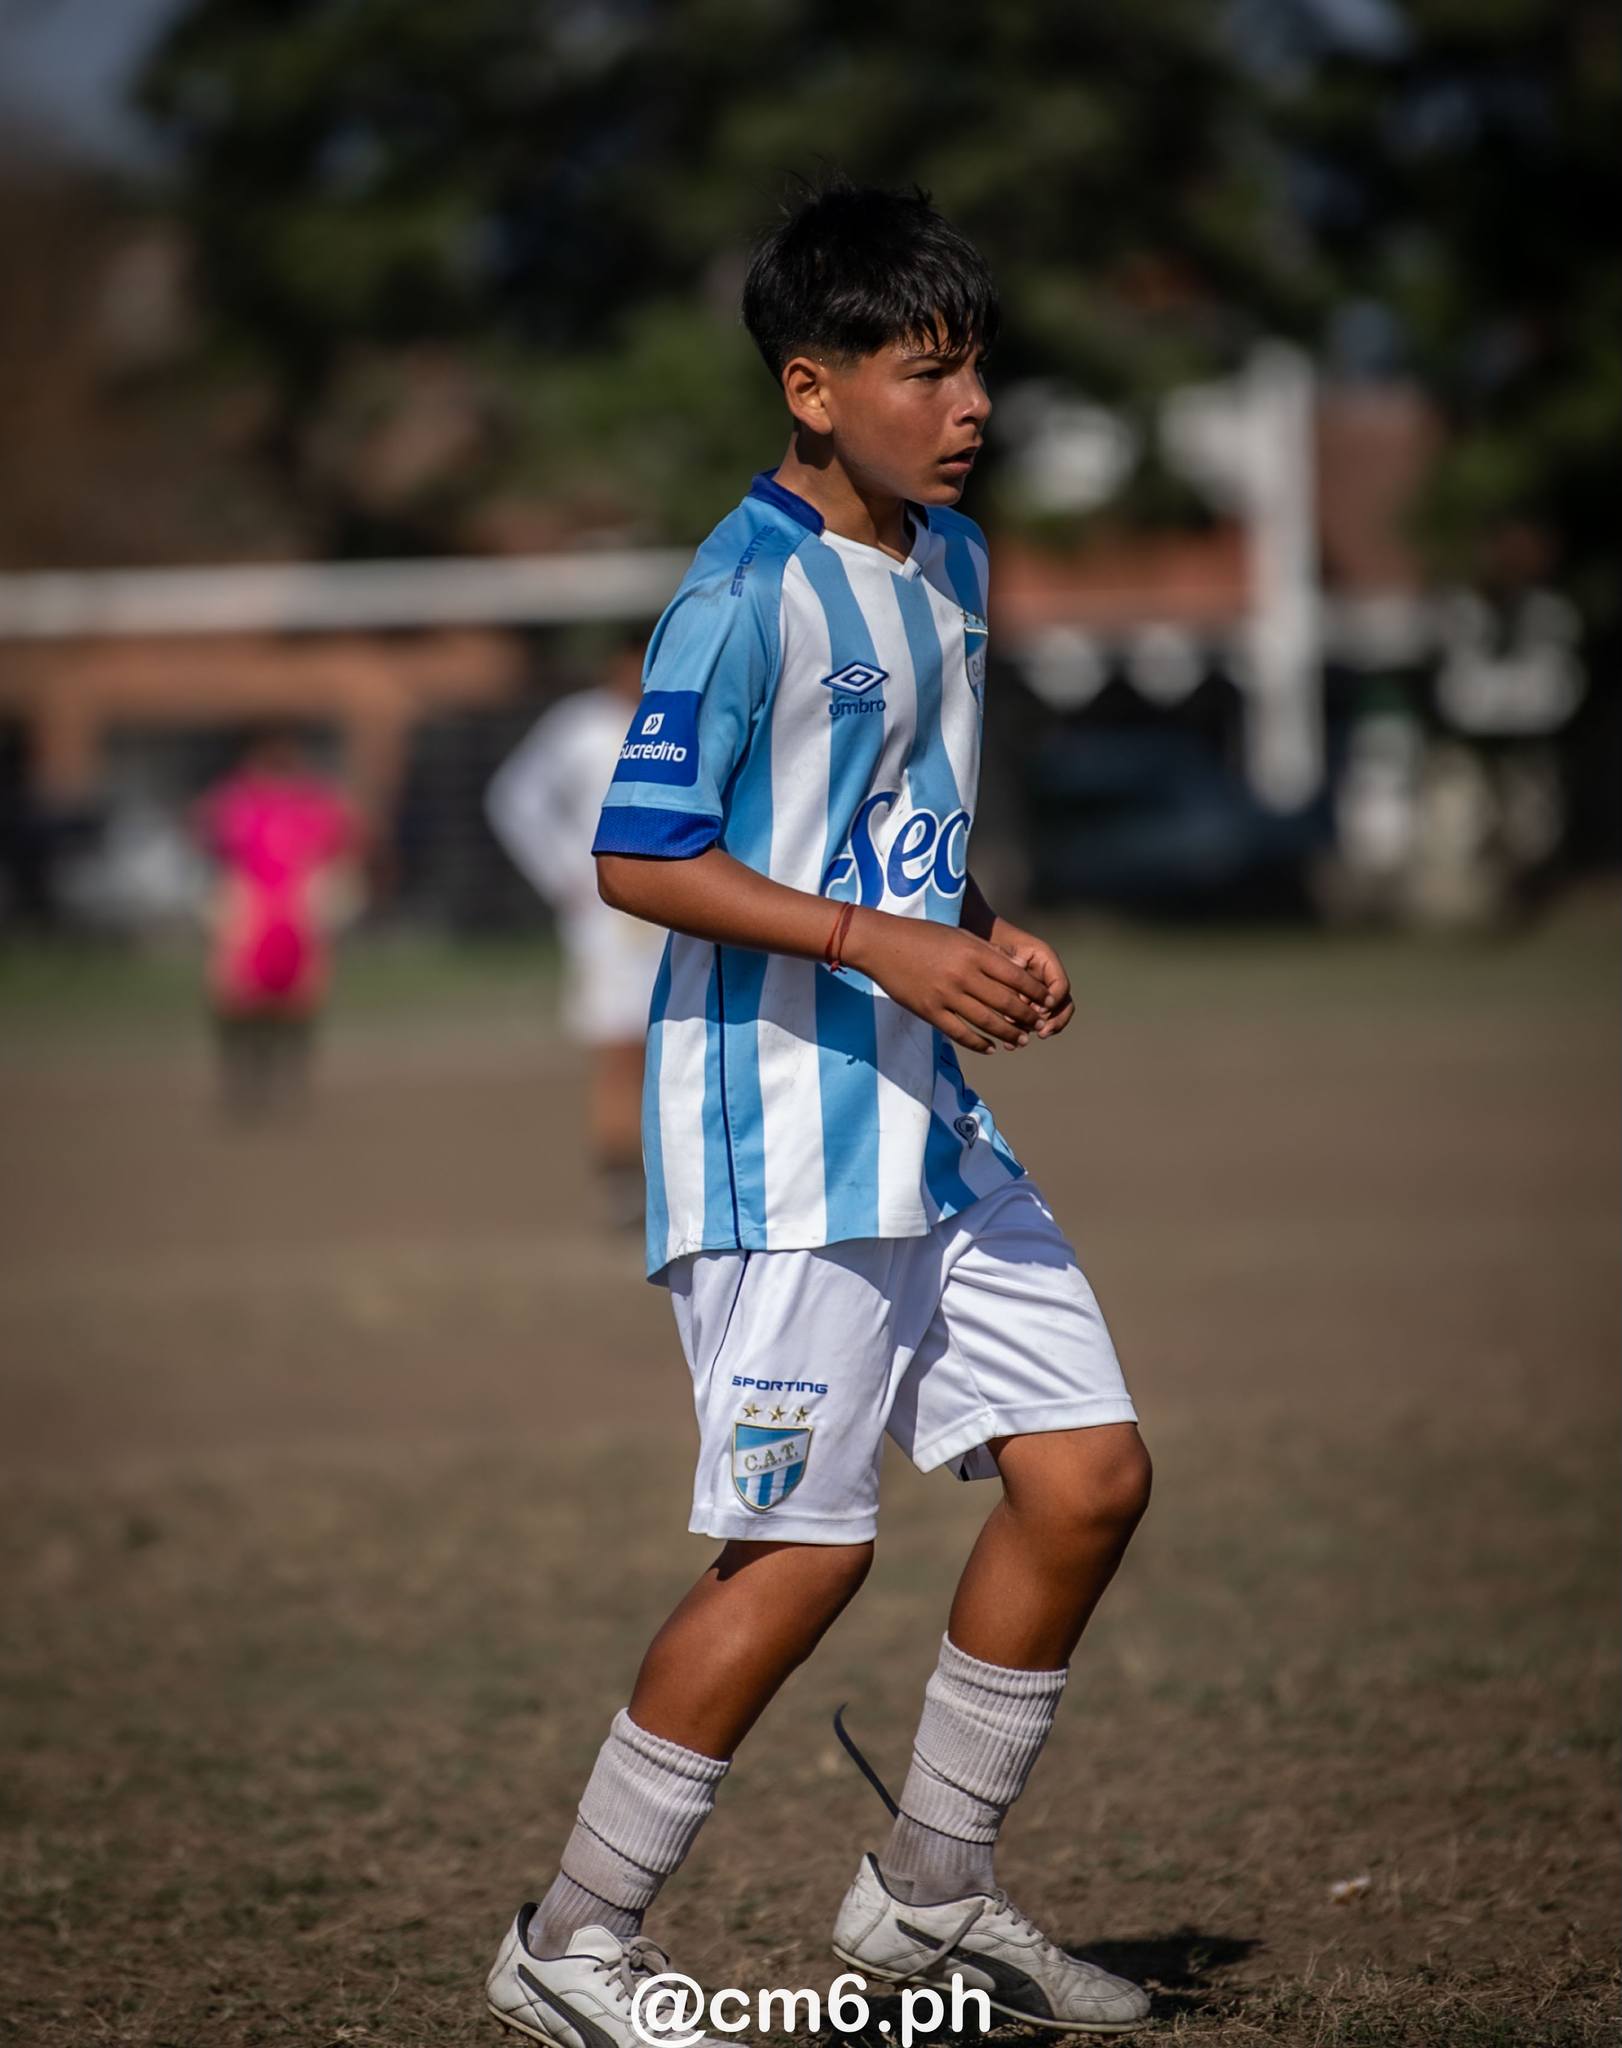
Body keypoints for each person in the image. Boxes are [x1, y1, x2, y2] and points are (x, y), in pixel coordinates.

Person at [485, 182, 1154, 2043]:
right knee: (806, 1544)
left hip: (922, 1111)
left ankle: (927, 1891)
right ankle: (572, 1936)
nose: (970, 406)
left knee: (1087, 1471)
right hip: (776, 1127)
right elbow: (638, 853)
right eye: (922, 371)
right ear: (809, 386)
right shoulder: (739, 589)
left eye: (975, 368)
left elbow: (883, 828)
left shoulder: (950, 561)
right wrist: (882, 938)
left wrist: (972, 932)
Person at [485, 636, 667, 1226]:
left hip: (678, 910)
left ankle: (670, 1176)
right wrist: (564, 872)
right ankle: (622, 1184)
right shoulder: (579, 725)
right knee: (618, 1047)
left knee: (675, 1042)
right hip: (609, 918)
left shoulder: (682, 720)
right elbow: (515, 799)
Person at [193, 726, 361, 1119]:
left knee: (299, 1004)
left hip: (296, 918)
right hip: (251, 916)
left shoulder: (315, 802)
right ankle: (244, 1080)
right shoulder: (234, 801)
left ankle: (290, 1081)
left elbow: (343, 849)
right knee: (236, 1002)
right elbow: (209, 846)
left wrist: (335, 892)